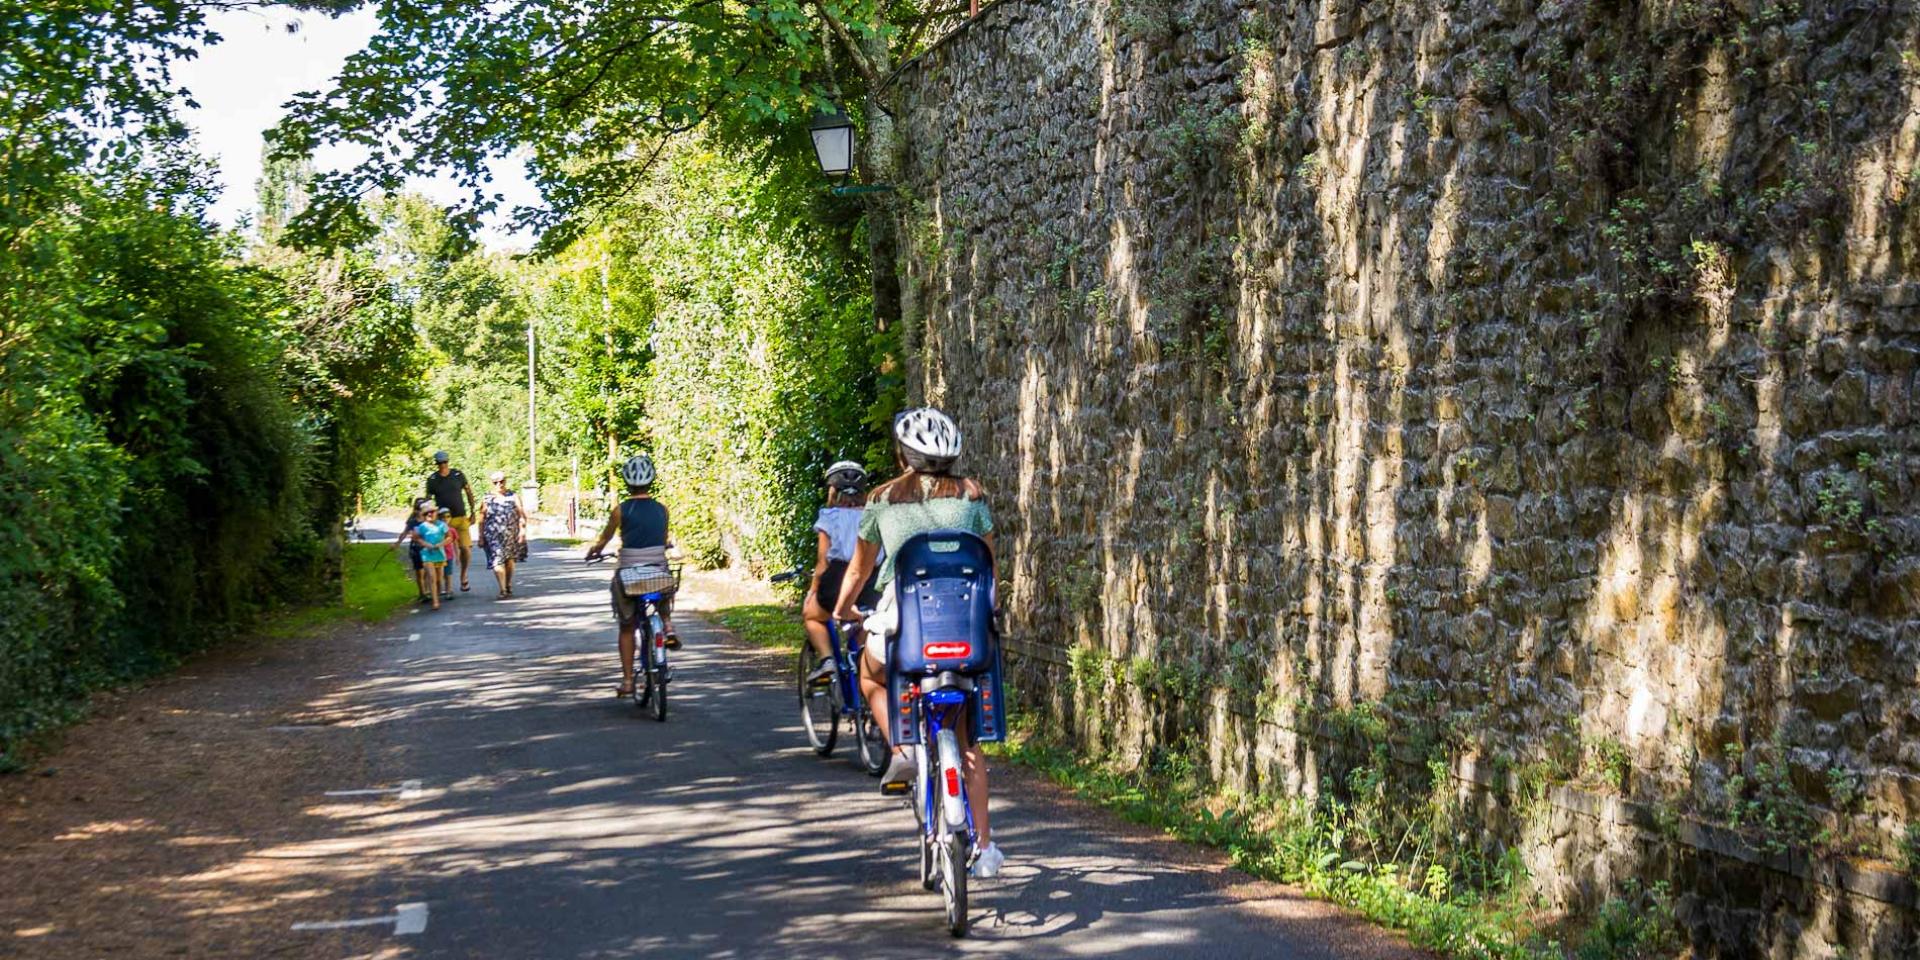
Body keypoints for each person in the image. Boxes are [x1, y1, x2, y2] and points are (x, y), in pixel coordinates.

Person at [832, 407, 1002, 878]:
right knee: (969, 742)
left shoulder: (882, 499)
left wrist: (844, 609)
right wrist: (992, 610)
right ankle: (984, 847)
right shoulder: (972, 496)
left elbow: (859, 569)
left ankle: (902, 750)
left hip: (905, 625)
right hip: (965, 627)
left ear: (904, 454)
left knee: (870, 676)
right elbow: (989, 565)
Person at [585, 455, 681, 698]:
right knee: (663, 588)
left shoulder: (620, 511)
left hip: (629, 577)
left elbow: (605, 538)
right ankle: (667, 626)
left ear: (627, 483)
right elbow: (663, 538)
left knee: (627, 626)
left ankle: (628, 681)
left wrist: (594, 550)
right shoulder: (662, 510)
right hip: (657, 570)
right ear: (652, 481)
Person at [803, 461, 875, 682]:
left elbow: (823, 562)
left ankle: (827, 660)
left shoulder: (830, 516)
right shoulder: (874, 515)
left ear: (833, 490)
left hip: (838, 579)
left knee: (812, 616)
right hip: (872, 578)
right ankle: (864, 664)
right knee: (867, 622)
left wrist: (812, 591)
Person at [424, 451, 477, 595]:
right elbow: (428, 501)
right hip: (443, 520)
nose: (443, 465)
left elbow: (468, 492)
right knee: (444, 553)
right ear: (436, 464)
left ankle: (464, 575)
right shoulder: (433, 479)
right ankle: (445, 584)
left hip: (460, 517)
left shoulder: (457, 475)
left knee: (465, 549)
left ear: (448, 462)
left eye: (445, 462)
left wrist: (473, 511)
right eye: (440, 463)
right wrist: (428, 519)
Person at [476, 471, 531, 599]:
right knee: (497, 559)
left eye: (501, 481)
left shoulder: (513, 496)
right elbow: (481, 518)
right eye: (496, 482)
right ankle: (502, 589)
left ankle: (508, 584)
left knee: (510, 560)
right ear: (492, 483)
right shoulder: (487, 498)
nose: (499, 484)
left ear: (505, 481)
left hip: (511, 534)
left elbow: (522, 515)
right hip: (493, 534)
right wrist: (480, 536)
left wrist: (523, 531)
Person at [393, 497, 433, 604]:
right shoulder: (412, 522)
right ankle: (422, 593)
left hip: (427, 549)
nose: (422, 512)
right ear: (416, 510)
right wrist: (397, 543)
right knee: (419, 572)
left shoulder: (429, 520)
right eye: (420, 509)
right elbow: (404, 533)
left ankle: (428, 591)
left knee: (427, 572)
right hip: (416, 549)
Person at [414, 505, 452, 611]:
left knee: (438, 578)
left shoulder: (442, 525)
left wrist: (441, 544)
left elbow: (449, 537)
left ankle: (437, 595)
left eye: (432, 512)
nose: (429, 514)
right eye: (426, 513)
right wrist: (426, 544)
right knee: (431, 577)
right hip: (427, 554)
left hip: (439, 554)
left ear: (436, 513)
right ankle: (435, 601)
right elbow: (417, 538)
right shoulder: (422, 526)